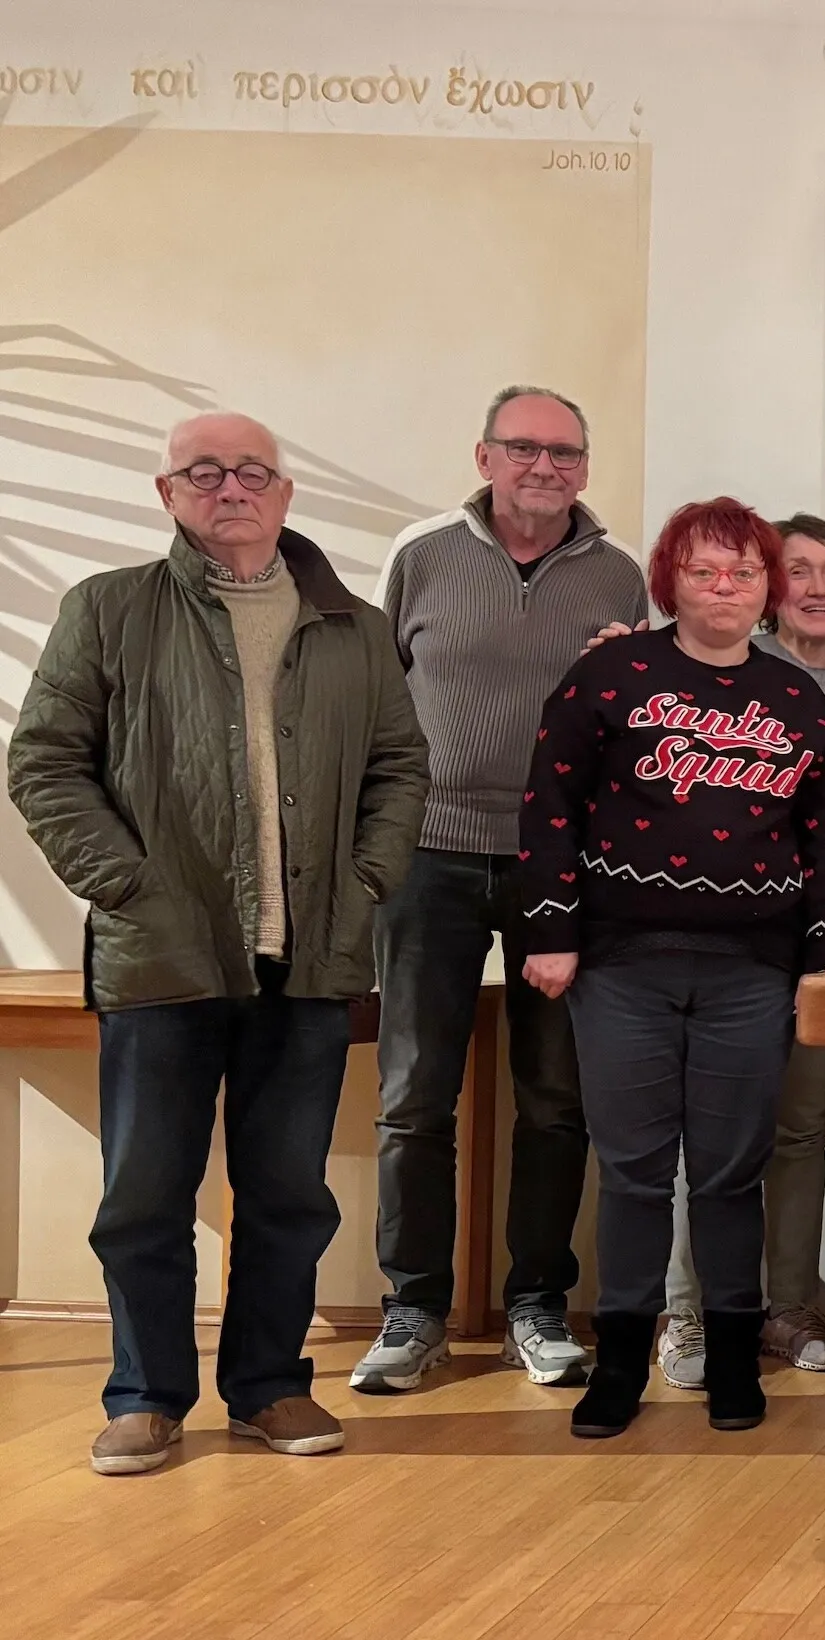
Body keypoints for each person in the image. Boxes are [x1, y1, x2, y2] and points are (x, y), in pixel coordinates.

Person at [10, 412, 428, 1475]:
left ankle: (270, 1385)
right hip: (163, 957)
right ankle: (145, 1396)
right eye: (204, 472)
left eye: (251, 471)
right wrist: (128, 885)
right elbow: (44, 762)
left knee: (289, 1193)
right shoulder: (109, 609)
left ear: (284, 493)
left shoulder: (355, 626)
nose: (230, 487)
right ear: (168, 493)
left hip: (311, 957)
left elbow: (399, 767)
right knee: (144, 1195)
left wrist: (366, 881)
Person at [520, 498, 825, 1439]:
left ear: (767, 588)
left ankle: (735, 1359)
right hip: (620, 967)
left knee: (730, 1173)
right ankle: (622, 1363)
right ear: (670, 580)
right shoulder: (610, 674)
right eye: (703, 571)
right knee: (631, 1171)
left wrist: (823, 963)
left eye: (744, 573)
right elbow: (549, 806)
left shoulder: (798, 700)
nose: (724, 588)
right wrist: (551, 930)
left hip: (752, 971)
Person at [354, 386, 648, 1395]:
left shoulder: (618, 571)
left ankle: (537, 1306)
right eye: (523, 448)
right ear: (484, 457)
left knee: (557, 1098)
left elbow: (638, 721)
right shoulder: (422, 554)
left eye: (564, 452)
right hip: (428, 854)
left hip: (557, 861)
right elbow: (374, 698)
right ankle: (414, 1309)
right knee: (413, 1096)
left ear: (585, 467)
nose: (544, 467)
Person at [657, 515, 825, 1386]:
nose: (818, 588)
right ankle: (688, 1313)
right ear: (765, 588)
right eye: (799, 571)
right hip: (730, 937)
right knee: (712, 1131)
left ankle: (789, 1308)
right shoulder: (722, 671)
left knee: (801, 1127)